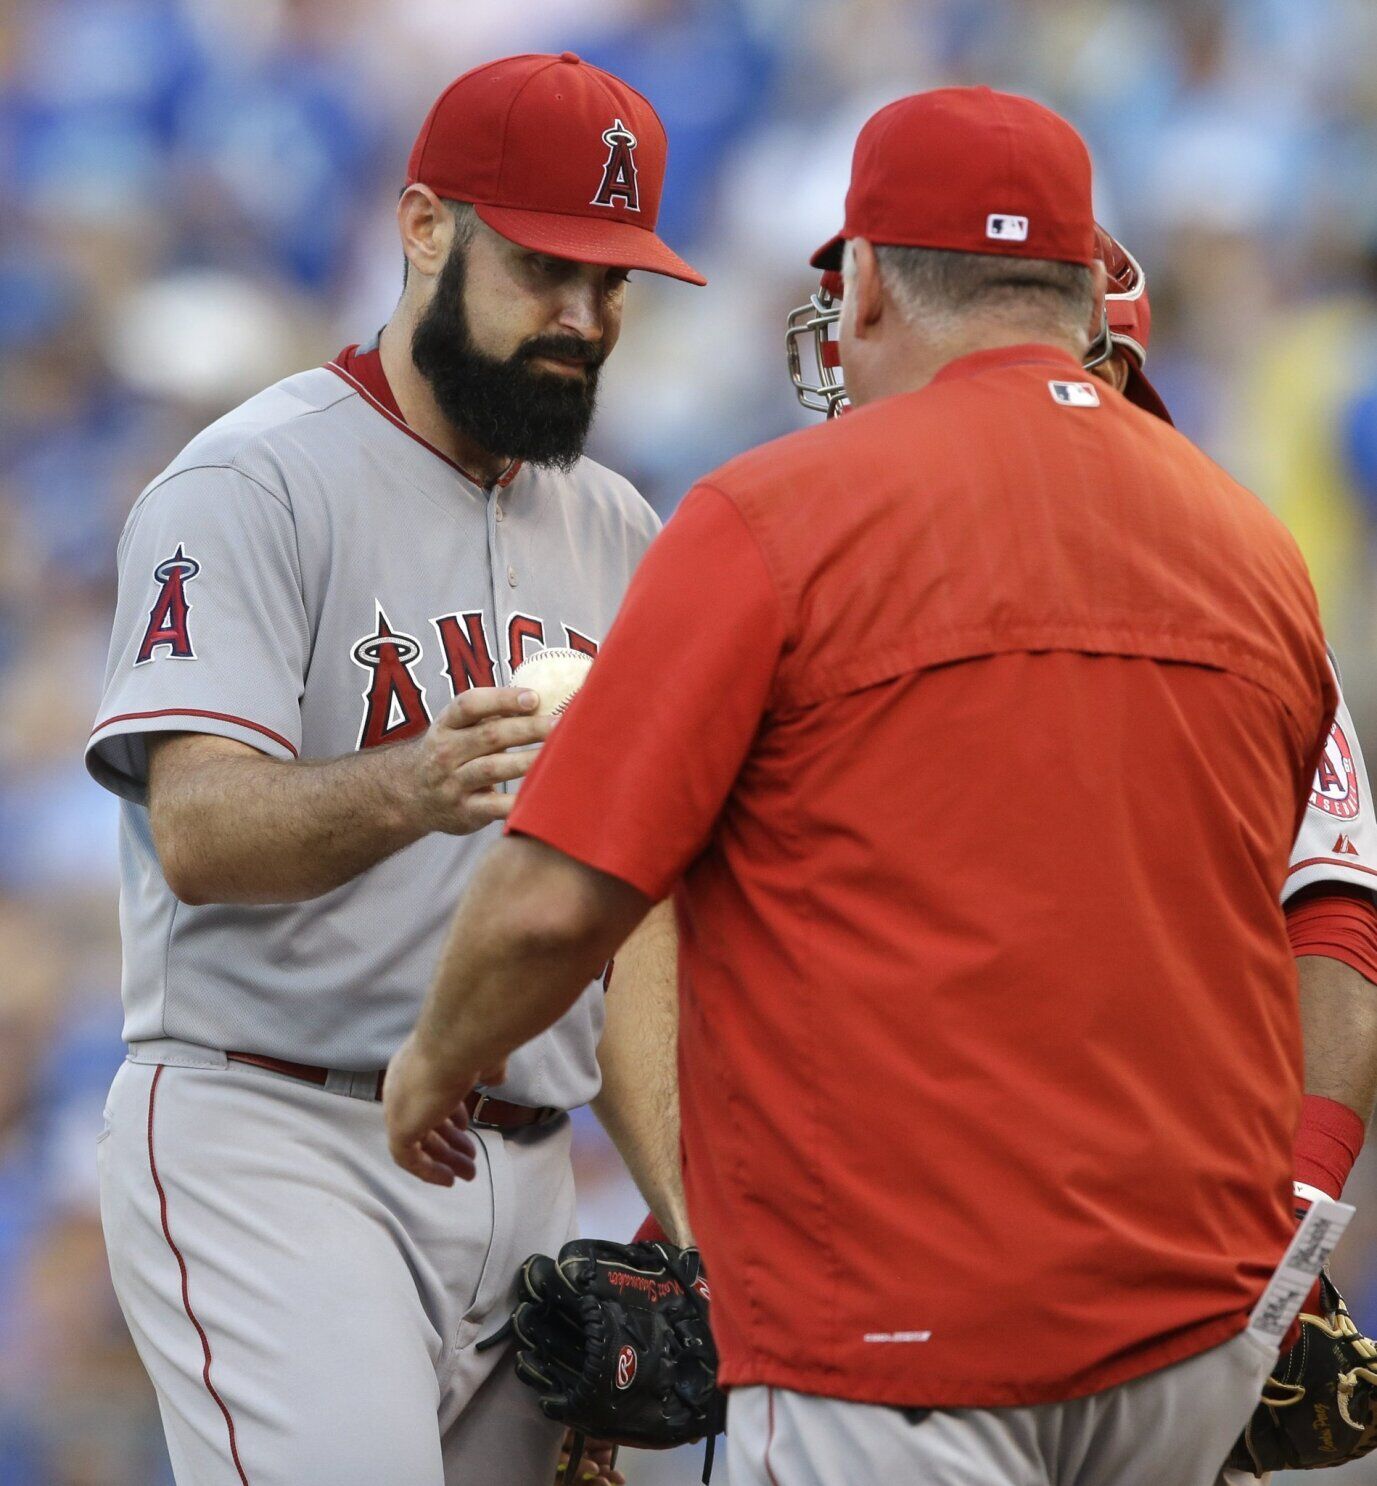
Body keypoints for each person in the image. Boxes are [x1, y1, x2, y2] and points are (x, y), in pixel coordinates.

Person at [384, 86, 1340, 1486]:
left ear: (867, 281)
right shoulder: (1254, 546)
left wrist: (434, 1059)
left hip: (896, 1333)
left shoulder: (776, 513)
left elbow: (551, 908)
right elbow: (1313, 923)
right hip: (1190, 1340)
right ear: (1079, 290)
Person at [85, 51, 700, 1486]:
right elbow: (199, 829)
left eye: (613, 284)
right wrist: (408, 787)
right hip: (277, 1131)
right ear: (426, 226)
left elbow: (624, 909)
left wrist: (687, 1210)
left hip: (532, 1170)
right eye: (548, 265)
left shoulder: (619, 530)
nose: (583, 316)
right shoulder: (251, 482)